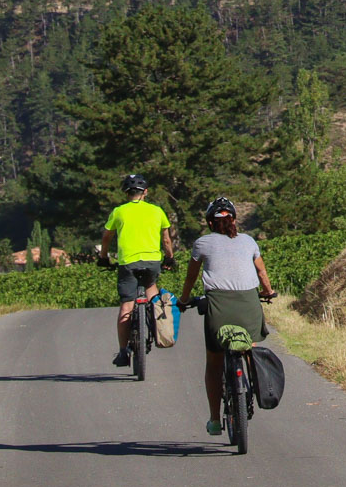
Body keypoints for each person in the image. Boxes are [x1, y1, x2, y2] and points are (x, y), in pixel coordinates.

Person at [179, 196, 276, 436]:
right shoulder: (249, 241)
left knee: (214, 362)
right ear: (234, 220)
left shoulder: (202, 243)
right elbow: (261, 272)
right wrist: (268, 292)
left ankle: (214, 419)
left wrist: (183, 300)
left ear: (210, 223)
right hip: (249, 305)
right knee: (249, 346)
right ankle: (255, 383)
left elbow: (191, 278)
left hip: (218, 306)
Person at [102, 174, 175, 367]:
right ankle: (160, 330)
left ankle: (123, 351)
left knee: (127, 306)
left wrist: (103, 258)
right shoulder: (157, 211)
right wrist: (169, 257)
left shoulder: (119, 212)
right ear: (145, 192)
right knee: (153, 294)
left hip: (128, 263)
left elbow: (106, 238)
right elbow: (166, 240)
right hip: (152, 261)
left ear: (127, 193)